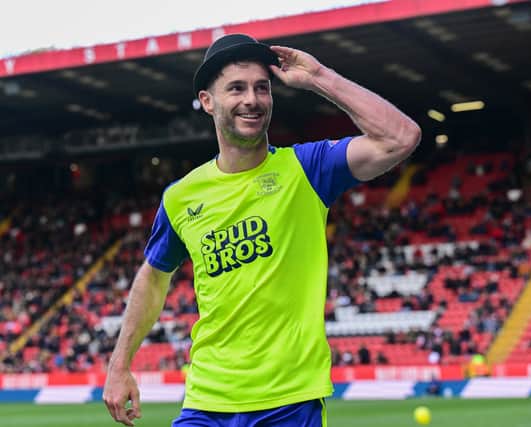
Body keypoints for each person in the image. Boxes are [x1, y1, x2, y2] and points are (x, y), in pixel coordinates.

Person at [103, 33, 420, 427]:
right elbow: (153, 276)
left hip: (289, 403)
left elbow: (400, 137)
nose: (251, 99)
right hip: (207, 402)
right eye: (236, 88)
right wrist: (119, 365)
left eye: (261, 88)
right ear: (207, 101)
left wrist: (319, 77)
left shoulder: (308, 169)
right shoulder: (180, 198)